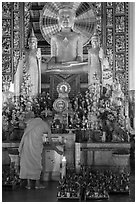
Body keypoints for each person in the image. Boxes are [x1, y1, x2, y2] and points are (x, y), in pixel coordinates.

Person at [18, 112, 63, 189]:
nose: (52, 123)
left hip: (27, 144)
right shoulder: (46, 126)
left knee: (27, 162)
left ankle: (28, 183)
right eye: (51, 121)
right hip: (35, 146)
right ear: (49, 121)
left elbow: (22, 124)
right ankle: (36, 184)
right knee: (36, 163)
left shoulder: (35, 121)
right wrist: (57, 150)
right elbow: (51, 142)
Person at [41, 8, 88, 75]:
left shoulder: (78, 36)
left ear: (74, 19)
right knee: (43, 66)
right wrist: (51, 62)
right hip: (59, 65)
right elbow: (53, 56)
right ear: (58, 19)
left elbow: (79, 57)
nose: (65, 19)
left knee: (88, 66)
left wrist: (76, 62)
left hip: (73, 65)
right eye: (62, 17)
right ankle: (64, 69)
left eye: (68, 17)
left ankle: (63, 69)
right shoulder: (54, 36)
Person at [14, 29, 41, 97]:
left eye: (33, 42)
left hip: (34, 71)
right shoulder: (26, 51)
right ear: (28, 43)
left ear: (36, 43)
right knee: (26, 83)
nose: (32, 43)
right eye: (30, 42)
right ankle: (25, 97)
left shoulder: (37, 51)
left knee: (34, 85)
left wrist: (38, 57)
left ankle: (34, 97)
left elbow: (39, 62)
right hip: (27, 69)